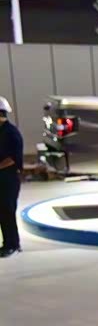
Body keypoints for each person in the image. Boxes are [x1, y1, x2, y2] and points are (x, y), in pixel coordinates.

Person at [0, 96, 23, 258]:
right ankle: (7, 243)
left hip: (9, 179)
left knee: (7, 210)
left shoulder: (11, 132)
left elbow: (13, 158)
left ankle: (13, 244)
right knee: (2, 211)